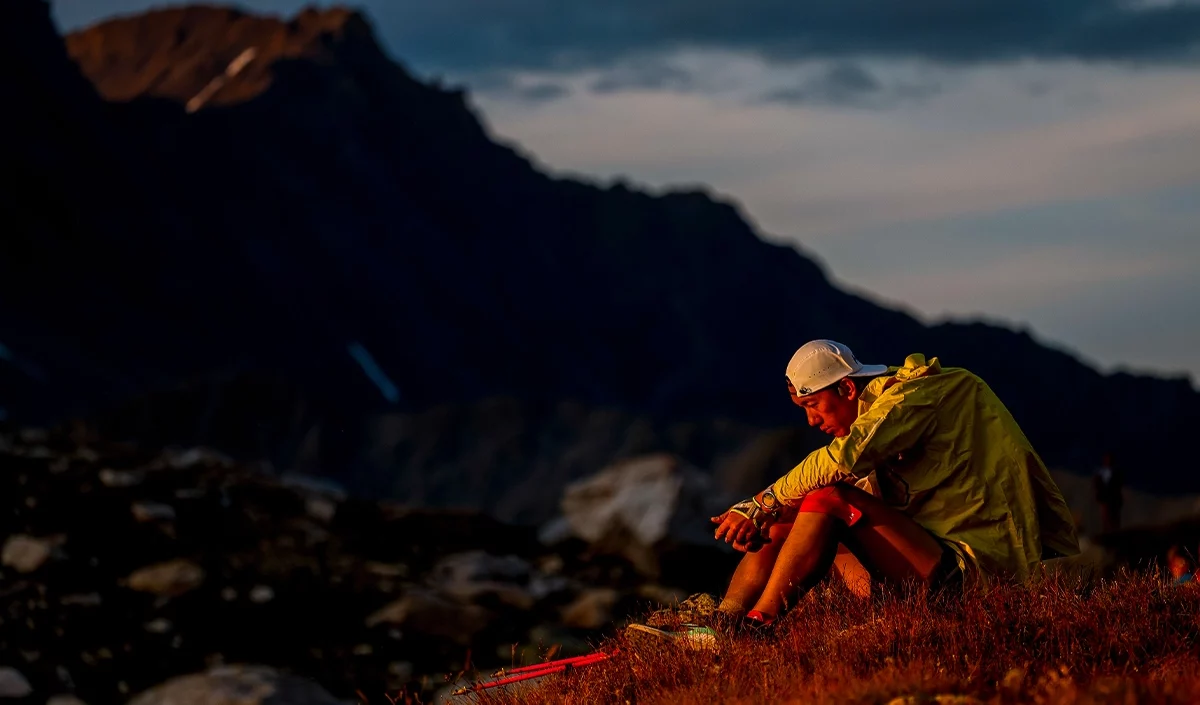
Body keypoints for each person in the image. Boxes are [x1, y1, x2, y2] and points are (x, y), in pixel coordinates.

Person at [630, 339, 1080, 643]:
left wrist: (759, 503)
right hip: (918, 566)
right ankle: (719, 626)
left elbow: (839, 462)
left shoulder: (917, 397)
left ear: (846, 387)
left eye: (812, 405)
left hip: (970, 574)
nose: (810, 421)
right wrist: (772, 519)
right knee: (796, 512)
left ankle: (757, 628)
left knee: (827, 498)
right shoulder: (875, 425)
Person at [1092, 452, 1124, 533]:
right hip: (1104, 498)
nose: (1108, 461)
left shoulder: (1116, 472)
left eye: (1109, 460)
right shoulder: (1101, 472)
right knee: (1105, 518)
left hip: (1113, 499)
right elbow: (1097, 484)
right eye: (1106, 459)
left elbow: (1119, 485)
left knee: (1114, 518)